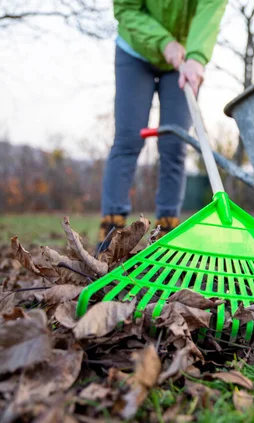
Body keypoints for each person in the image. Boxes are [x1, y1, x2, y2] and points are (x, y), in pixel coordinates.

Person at [99, 0, 228, 248]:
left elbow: (211, 8)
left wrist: (197, 57)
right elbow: (126, 8)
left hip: (184, 58)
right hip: (135, 50)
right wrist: (163, 42)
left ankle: (167, 233)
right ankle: (111, 232)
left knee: (175, 144)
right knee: (128, 139)